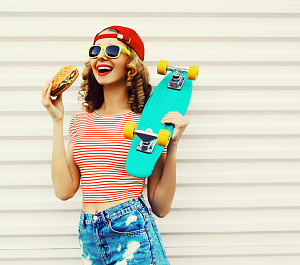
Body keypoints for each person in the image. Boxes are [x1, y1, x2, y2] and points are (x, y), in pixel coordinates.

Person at [41, 25, 189, 265]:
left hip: (131, 229)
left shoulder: (146, 123)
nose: (101, 56)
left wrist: (172, 146)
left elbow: (160, 207)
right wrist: (57, 121)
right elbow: (64, 190)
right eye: (95, 50)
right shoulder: (81, 122)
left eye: (111, 50)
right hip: (89, 236)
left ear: (131, 65)